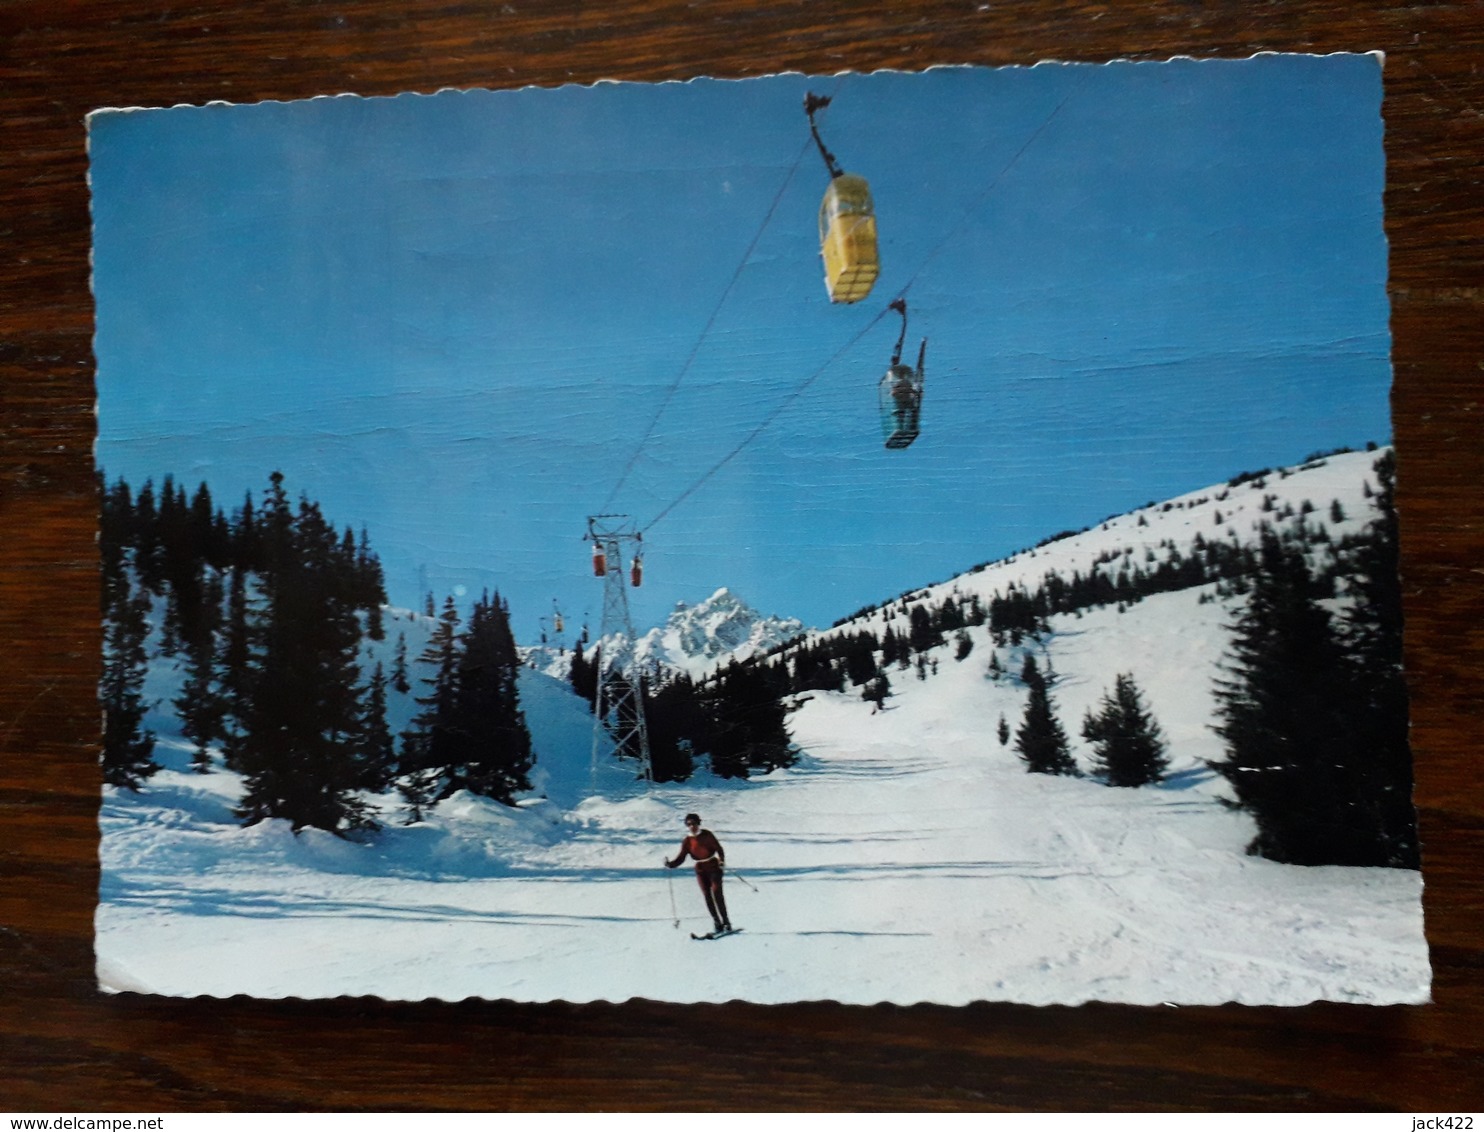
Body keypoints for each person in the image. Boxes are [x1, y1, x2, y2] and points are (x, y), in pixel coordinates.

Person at [665, 812, 731, 934]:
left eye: (694, 823)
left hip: (713, 866)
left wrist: (722, 861)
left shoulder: (707, 835)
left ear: (698, 823)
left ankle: (726, 922)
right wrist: (671, 864)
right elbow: (682, 857)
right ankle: (717, 922)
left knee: (717, 893)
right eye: (689, 824)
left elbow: (719, 849)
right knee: (707, 895)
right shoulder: (687, 841)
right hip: (700, 869)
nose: (691, 826)